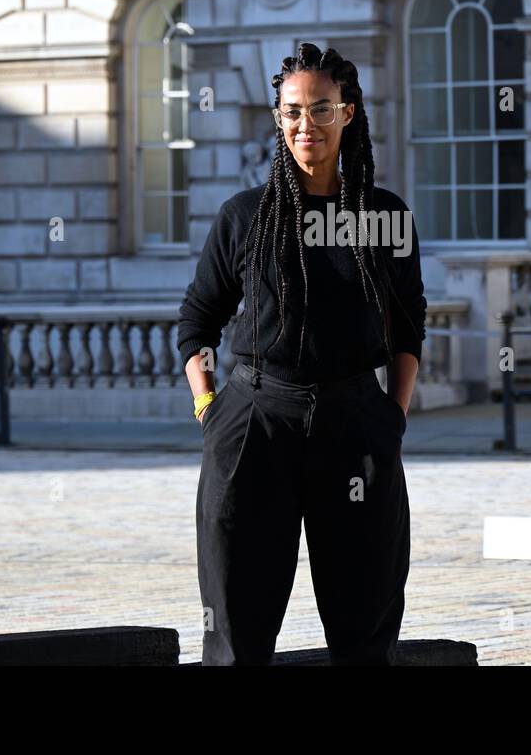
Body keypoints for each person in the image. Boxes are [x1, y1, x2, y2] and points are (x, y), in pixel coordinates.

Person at [176, 42, 427, 666]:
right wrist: (210, 408)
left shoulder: (384, 219)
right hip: (254, 427)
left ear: (348, 114)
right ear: (277, 116)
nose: (304, 124)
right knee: (237, 634)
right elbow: (196, 323)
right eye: (291, 111)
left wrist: (391, 417)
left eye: (320, 109)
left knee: (364, 627)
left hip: (356, 428)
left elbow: (407, 329)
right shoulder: (244, 218)